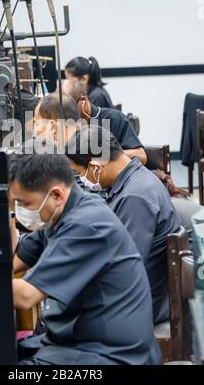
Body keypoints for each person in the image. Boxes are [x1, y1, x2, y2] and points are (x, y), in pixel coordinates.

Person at [10, 151, 162, 365]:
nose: (21, 211)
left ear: (56, 195)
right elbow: (13, 261)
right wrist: (5, 210)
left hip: (112, 355)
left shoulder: (86, 225)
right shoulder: (59, 214)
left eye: (23, 204)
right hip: (78, 342)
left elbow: (25, 297)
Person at [65, 125, 181, 325]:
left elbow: (123, 270)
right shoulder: (135, 180)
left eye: (79, 173)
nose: (82, 181)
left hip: (140, 305)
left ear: (95, 167)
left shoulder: (135, 197)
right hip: (143, 294)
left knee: (62, 312)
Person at [65, 81, 147, 164]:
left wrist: (106, 155)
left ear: (83, 100)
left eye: (69, 108)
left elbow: (141, 156)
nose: (65, 114)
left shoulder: (114, 118)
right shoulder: (65, 125)